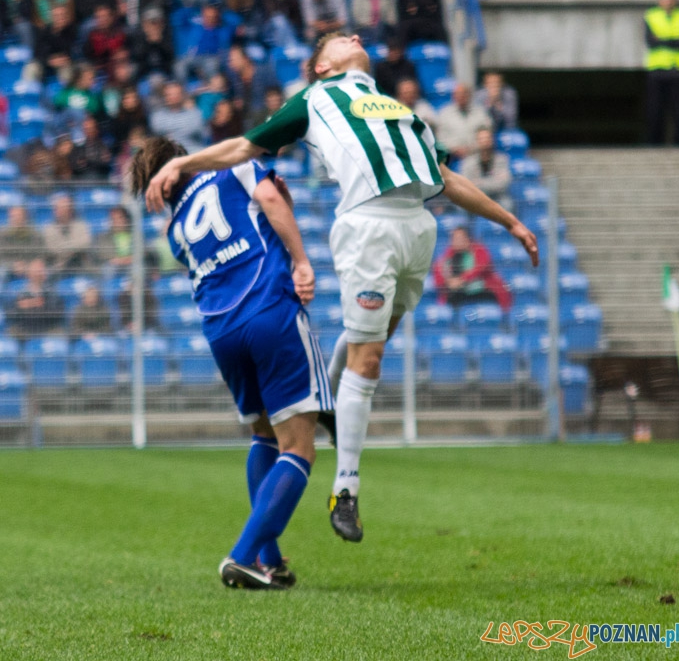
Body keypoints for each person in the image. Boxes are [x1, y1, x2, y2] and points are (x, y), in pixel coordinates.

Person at [145, 33, 538, 544]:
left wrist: (510, 222)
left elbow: (444, 176)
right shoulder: (315, 97)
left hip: (419, 228)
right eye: (338, 40)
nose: (354, 36)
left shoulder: (398, 108)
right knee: (368, 360)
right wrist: (183, 162)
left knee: (366, 345)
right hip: (368, 227)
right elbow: (244, 147)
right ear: (324, 67)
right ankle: (345, 491)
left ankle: (328, 399)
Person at [132, 134, 331, 589]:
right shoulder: (232, 168)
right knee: (298, 446)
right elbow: (266, 201)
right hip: (268, 312)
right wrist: (301, 261)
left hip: (222, 332)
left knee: (263, 433)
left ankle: (270, 561)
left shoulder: (174, 229)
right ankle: (241, 556)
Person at [433, 226, 511, 310]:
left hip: (483, 291)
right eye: (454, 239)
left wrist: (461, 279)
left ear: (468, 239)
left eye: (460, 238)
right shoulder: (448, 255)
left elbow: (481, 267)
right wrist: (449, 282)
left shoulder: (479, 250)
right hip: (460, 294)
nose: (456, 241)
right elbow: (439, 273)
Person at [643, 0, 679, 145]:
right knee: (655, 110)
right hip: (656, 71)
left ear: (675, 0)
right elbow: (651, 42)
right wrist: (673, 41)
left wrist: (662, 40)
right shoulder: (651, 16)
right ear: (660, 0)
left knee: (678, 111)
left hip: (677, 70)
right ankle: (654, 143)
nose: (667, 0)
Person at [6, 257, 65, 337]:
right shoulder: (19, 293)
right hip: (24, 330)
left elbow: (57, 313)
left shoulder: (51, 292)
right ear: (29, 273)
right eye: (35, 269)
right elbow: (11, 314)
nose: (38, 273)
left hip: (48, 330)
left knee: (59, 335)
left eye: (40, 269)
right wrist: (33, 304)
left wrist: (30, 304)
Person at [460, 127, 513, 211]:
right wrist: (492, 182)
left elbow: (503, 184)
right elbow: (466, 185)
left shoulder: (502, 160)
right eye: (481, 139)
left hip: (497, 196)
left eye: (487, 138)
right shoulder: (468, 162)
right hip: (475, 197)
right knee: (461, 205)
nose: (484, 141)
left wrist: (479, 183)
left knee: (507, 203)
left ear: (492, 140)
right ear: (476, 141)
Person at [436, 83, 492, 159]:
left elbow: (487, 134)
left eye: (464, 94)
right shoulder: (444, 114)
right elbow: (440, 138)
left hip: (476, 155)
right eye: (458, 94)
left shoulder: (480, 113)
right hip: (451, 157)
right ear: (453, 96)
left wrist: (472, 148)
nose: (461, 97)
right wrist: (454, 149)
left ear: (469, 96)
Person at [150, 80, 206, 154]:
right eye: (169, 94)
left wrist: (171, 131)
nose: (173, 97)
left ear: (182, 95)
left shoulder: (194, 113)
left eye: (176, 94)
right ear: (164, 96)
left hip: (193, 152)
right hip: (169, 155)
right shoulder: (157, 116)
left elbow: (195, 129)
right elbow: (157, 129)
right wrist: (183, 127)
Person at [42, 194, 92, 273]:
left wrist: (65, 247)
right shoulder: (49, 228)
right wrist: (72, 248)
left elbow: (85, 243)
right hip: (59, 266)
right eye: (57, 209)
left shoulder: (81, 225)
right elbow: (52, 248)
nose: (58, 212)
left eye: (63, 209)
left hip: (81, 265)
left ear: (70, 210)